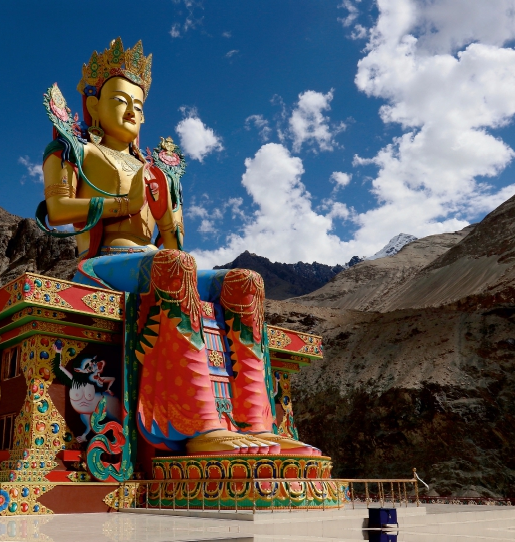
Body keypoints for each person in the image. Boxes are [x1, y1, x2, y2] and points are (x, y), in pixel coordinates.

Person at [36, 37, 321, 457]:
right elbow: (57, 210)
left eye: (139, 104)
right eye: (120, 100)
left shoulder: (156, 172)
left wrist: (167, 208)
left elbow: (171, 240)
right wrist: (123, 204)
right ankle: (199, 425)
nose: (133, 111)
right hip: (103, 262)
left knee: (246, 282)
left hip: (158, 262)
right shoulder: (74, 150)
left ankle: (257, 423)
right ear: (93, 106)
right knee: (175, 267)